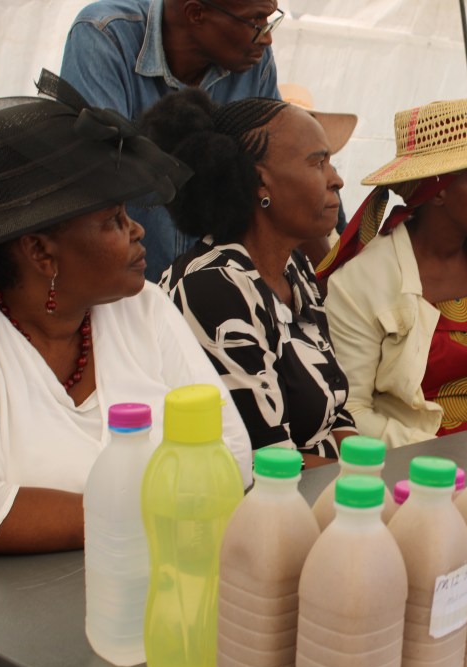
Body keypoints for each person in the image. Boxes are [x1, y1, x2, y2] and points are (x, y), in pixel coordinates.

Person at [0, 72, 252, 556]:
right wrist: (153, 512)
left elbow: (232, 455)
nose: (137, 230)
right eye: (113, 220)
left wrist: (108, 520)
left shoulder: (145, 308)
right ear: (40, 252)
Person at [320, 98, 467, 447]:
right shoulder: (362, 280)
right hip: (416, 466)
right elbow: (351, 410)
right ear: (439, 193)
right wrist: (441, 459)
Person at [145, 89, 357, 460]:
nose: (336, 179)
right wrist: (364, 481)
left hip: (327, 480)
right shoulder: (211, 287)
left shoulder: (295, 269)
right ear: (260, 183)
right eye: (318, 163)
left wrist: (367, 467)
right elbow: (266, 460)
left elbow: (335, 411)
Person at [60, 0, 284, 281]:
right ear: (196, 13)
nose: (266, 37)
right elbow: (96, 175)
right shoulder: (104, 34)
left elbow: (276, 165)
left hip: (212, 287)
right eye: (256, 21)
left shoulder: (254, 58)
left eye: (270, 20)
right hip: (122, 285)